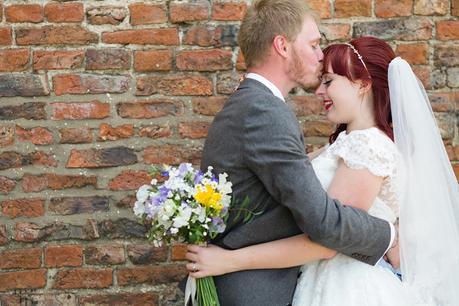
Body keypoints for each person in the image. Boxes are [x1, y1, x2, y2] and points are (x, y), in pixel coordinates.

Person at [185, 36, 459, 305]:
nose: (319, 91)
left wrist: (229, 260)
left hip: (346, 288)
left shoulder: (368, 147)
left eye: (329, 81)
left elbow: (326, 243)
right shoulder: (346, 144)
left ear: (362, 84)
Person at [181, 1, 399, 305]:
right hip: (252, 292)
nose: (320, 55)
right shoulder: (264, 111)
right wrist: (387, 233)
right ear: (282, 46)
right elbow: (323, 222)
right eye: (312, 44)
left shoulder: (253, 105)